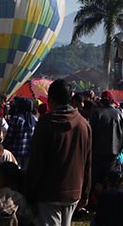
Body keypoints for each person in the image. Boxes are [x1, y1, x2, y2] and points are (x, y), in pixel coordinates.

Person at [23, 79, 92, 226]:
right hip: (74, 190)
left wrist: (29, 191)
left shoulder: (46, 123)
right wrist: (85, 192)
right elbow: (88, 162)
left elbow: (36, 161)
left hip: (49, 192)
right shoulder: (84, 124)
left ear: (50, 99)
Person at [89, 91, 123, 196]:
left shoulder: (96, 113)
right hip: (114, 152)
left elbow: (91, 133)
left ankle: (96, 202)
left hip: (98, 152)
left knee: (97, 179)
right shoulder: (120, 113)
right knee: (111, 179)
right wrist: (119, 150)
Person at [5, 98, 37, 169]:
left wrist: (4, 146)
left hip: (15, 153)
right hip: (28, 154)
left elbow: (9, 137)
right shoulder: (34, 120)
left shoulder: (16, 119)